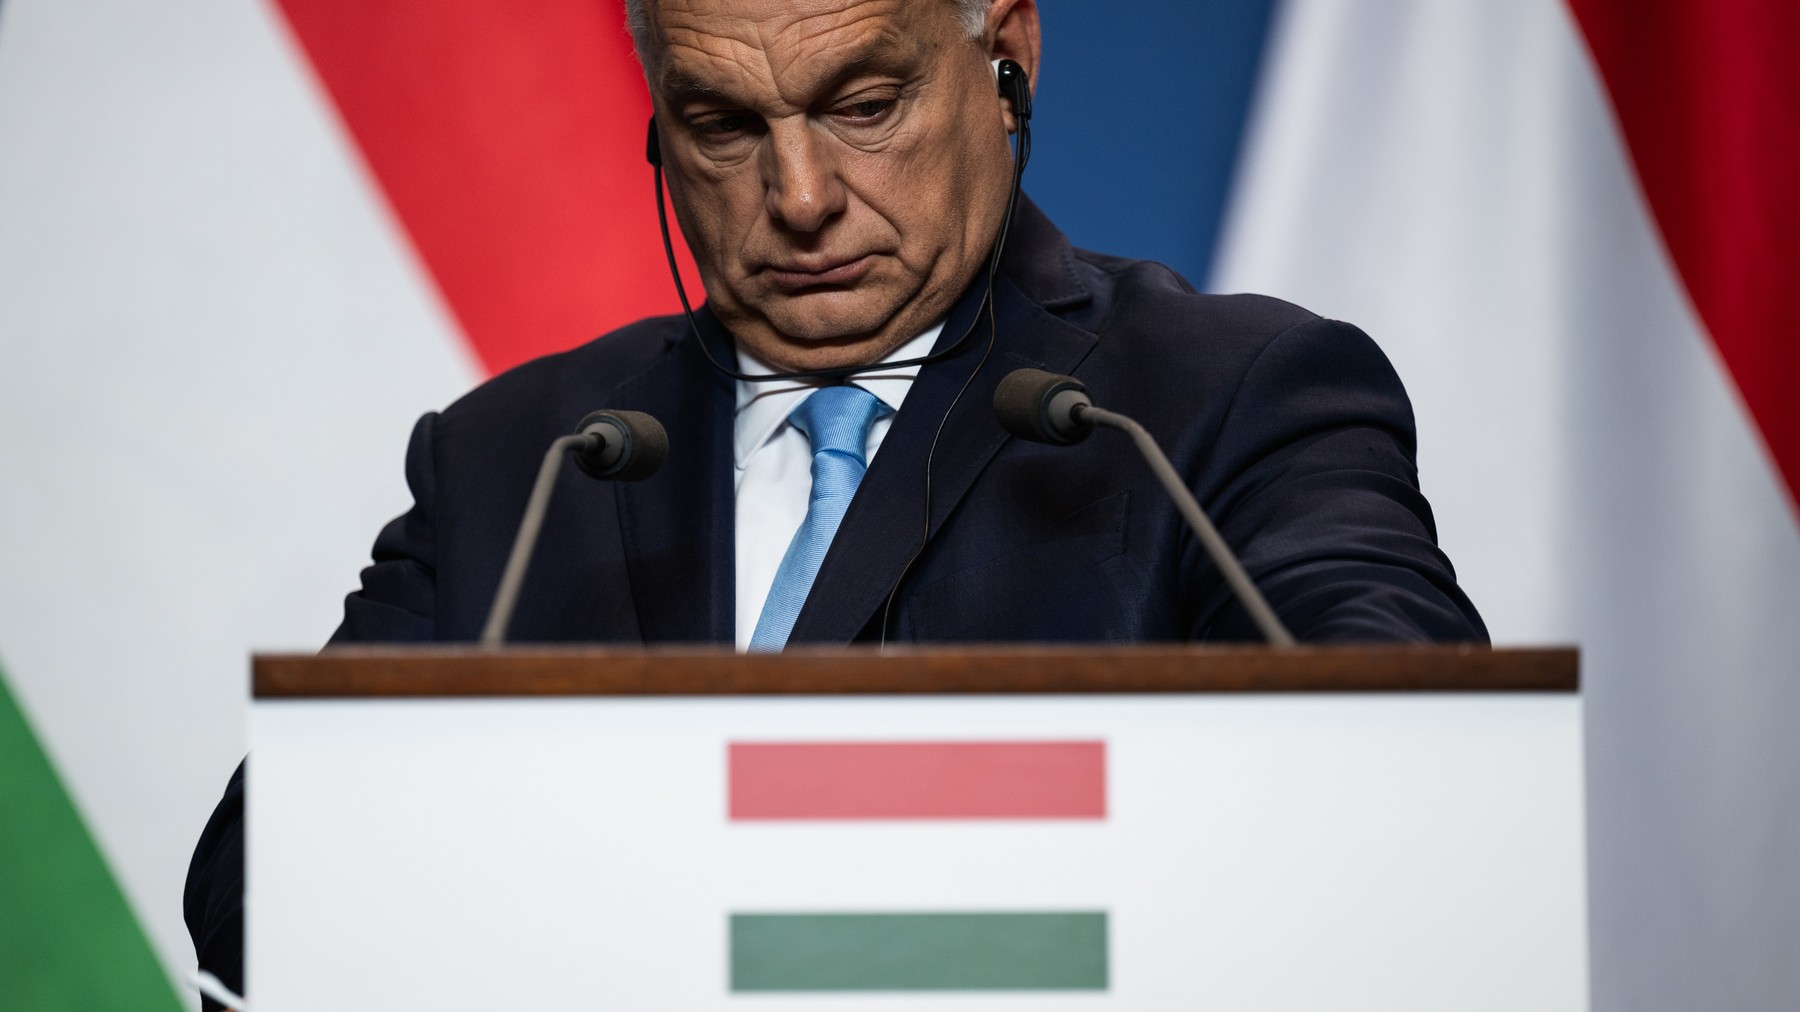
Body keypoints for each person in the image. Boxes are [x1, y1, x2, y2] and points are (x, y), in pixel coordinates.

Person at [184, 0, 1486, 1004]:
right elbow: (262, 887)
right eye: (723, 126)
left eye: (863, 105)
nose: (799, 198)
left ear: (1007, 54)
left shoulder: (1217, 400)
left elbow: (1394, 758)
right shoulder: (523, 459)